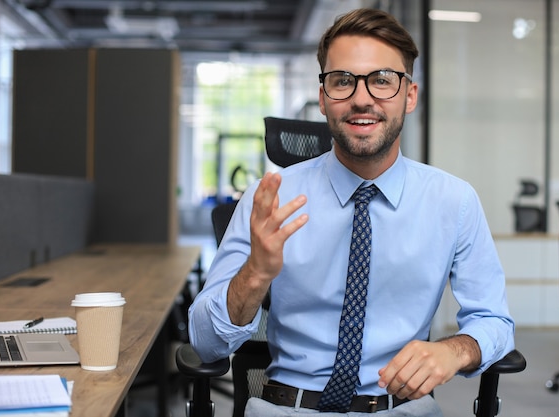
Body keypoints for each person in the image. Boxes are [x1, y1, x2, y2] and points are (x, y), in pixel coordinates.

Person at [189, 7, 514, 417]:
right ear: (324, 98)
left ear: (409, 96)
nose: (362, 98)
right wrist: (255, 274)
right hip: (288, 409)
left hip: (403, 410)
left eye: (382, 80)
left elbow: (495, 321)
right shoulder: (269, 200)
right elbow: (204, 342)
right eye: (342, 81)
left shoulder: (455, 201)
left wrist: (455, 350)